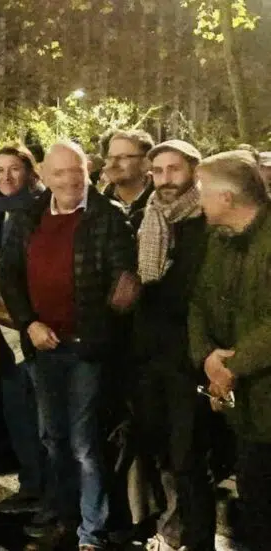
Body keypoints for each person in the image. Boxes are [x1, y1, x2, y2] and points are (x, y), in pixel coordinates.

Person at [0, 141, 138, 551]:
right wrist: (29, 323)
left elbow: (121, 277)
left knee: (84, 444)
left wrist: (116, 306)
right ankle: (65, 515)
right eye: (59, 173)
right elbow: (9, 275)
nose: (70, 180)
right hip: (43, 346)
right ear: (44, 176)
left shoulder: (108, 218)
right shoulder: (27, 216)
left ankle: (91, 531)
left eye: (76, 170)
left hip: (86, 349)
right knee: (53, 438)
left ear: (88, 170)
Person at [129, 140, 213, 551]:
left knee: (189, 459)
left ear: (194, 170)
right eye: (158, 171)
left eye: (174, 169)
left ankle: (198, 540)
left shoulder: (208, 222)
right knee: (159, 449)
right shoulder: (148, 218)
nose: (165, 179)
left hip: (189, 360)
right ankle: (169, 528)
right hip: (150, 357)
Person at [189, 150, 271, 549]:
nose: (198, 199)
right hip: (245, 405)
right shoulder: (219, 239)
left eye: (202, 189)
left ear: (227, 197)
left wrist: (231, 367)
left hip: (262, 389)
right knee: (254, 499)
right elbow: (199, 302)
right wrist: (207, 357)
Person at [0, 145, 46, 515]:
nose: (5, 177)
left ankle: (45, 489)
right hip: (1, 322)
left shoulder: (39, 209)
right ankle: (30, 482)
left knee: (38, 411)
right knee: (16, 407)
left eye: (14, 169)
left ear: (30, 171)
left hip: (30, 323)